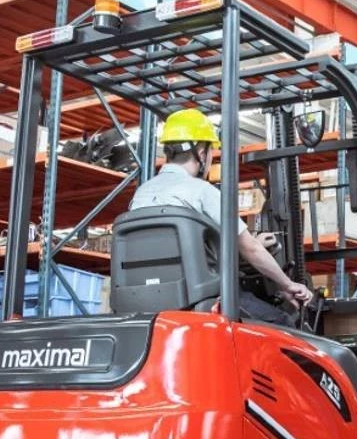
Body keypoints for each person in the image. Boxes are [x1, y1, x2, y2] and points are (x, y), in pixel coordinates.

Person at [130, 109, 313, 319]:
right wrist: (288, 285)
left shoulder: (141, 195)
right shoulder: (201, 191)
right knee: (281, 322)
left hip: (147, 299)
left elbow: (176, 251)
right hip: (199, 296)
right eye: (210, 152)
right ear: (201, 152)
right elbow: (250, 249)